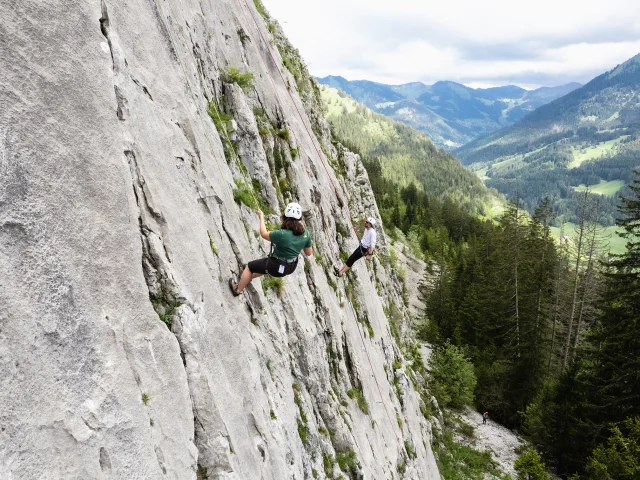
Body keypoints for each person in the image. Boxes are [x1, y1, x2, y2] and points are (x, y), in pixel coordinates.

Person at [229, 202, 313, 296]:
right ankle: (247, 278)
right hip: (290, 267)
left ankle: (238, 290)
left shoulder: (282, 234)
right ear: (300, 217)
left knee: (249, 267)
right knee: (265, 267)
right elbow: (308, 253)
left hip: (276, 265)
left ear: (285, 216)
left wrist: (261, 217)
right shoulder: (306, 234)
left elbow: (263, 233)